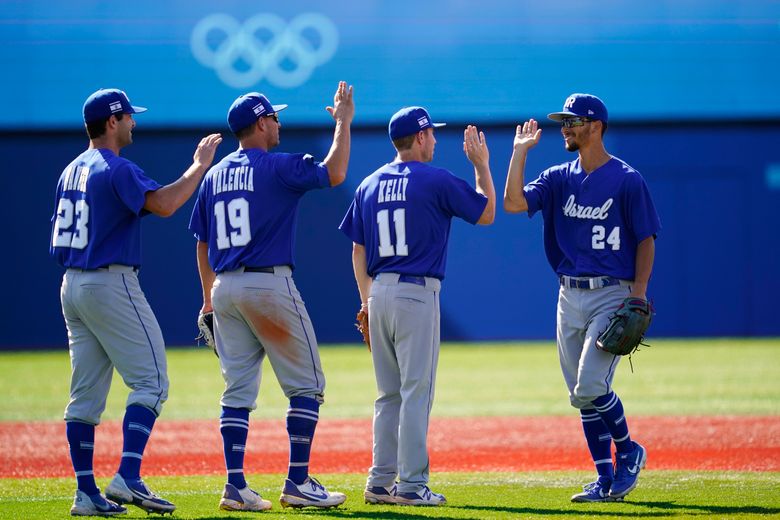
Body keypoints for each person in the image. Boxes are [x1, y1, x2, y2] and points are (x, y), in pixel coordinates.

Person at [50, 88, 222, 516]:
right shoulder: (115, 167)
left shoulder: (71, 170)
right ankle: (128, 476)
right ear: (112, 121)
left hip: (72, 282)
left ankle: (85, 493)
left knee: (84, 397)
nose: (133, 123)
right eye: (127, 116)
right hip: (110, 280)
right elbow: (163, 204)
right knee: (153, 382)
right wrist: (199, 166)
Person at [188, 82, 354, 511]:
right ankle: (298, 481)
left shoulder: (215, 175)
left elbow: (202, 244)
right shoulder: (276, 166)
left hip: (224, 288)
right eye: (274, 117)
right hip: (267, 283)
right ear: (261, 124)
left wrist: (208, 300)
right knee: (308, 384)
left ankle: (236, 486)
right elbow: (334, 173)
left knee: (237, 391)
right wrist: (343, 123)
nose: (279, 123)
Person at [503, 93, 661, 502]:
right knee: (580, 394)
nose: (565, 128)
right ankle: (605, 478)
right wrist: (519, 154)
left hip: (612, 292)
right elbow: (513, 202)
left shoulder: (626, 179)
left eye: (573, 121)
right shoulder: (558, 177)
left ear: (596, 127)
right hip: (568, 294)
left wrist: (639, 292)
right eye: (564, 121)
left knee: (590, 383)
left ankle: (628, 450)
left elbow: (646, 238)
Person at [339, 107, 495, 506]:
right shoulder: (436, 178)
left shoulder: (370, 183)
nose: (436, 141)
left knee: (388, 394)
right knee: (415, 393)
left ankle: (379, 481)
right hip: (416, 293)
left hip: (378, 293)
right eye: (432, 134)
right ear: (421, 136)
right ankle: (410, 485)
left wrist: (365, 299)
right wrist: (481, 165)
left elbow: (357, 249)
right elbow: (487, 212)